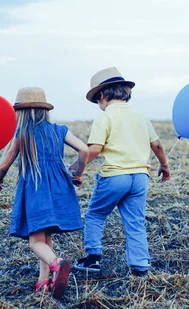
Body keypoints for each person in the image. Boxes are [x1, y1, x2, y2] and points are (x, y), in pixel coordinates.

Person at [73, 67, 171, 277]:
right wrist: (164, 165)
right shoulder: (140, 116)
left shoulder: (105, 117)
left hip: (115, 176)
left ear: (101, 95)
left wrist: (77, 169)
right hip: (140, 178)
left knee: (95, 214)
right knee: (135, 221)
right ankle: (140, 265)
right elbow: (157, 145)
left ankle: (92, 260)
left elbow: (95, 149)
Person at [0, 87, 89, 298]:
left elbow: (4, 164)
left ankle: (57, 264)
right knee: (45, 239)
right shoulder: (58, 130)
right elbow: (84, 149)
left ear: (21, 113)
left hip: (37, 191)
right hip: (59, 190)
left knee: (35, 242)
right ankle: (43, 282)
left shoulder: (22, 133)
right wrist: (78, 173)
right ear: (44, 111)